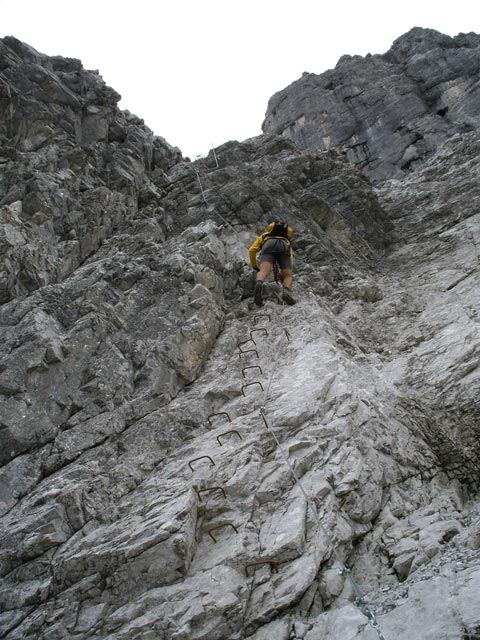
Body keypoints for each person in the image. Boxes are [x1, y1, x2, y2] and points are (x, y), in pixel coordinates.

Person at [248, 221, 296, 306]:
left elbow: (252, 250)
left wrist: (255, 265)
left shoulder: (265, 235)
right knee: (288, 276)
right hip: (284, 246)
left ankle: (259, 283)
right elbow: (291, 258)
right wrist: (284, 271)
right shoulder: (287, 240)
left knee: (263, 272)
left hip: (269, 244)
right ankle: (286, 291)